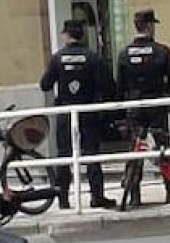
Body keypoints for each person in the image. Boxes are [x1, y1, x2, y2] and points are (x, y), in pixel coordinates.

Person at [40, 19, 116, 209]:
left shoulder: (57, 58)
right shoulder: (92, 57)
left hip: (66, 112)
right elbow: (107, 86)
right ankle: (97, 196)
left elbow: (45, 84)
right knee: (91, 154)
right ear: (82, 35)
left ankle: (63, 198)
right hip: (88, 110)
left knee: (64, 155)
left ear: (66, 35)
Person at [116, 8, 170, 205]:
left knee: (135, 151)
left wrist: (124, 106)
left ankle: (134, 196)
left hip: (135, 108)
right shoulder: (162, 51)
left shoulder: (124, 54)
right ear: (150, 26)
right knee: (163, 149)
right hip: (157, 106)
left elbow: (119, 85)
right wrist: (165, 92)